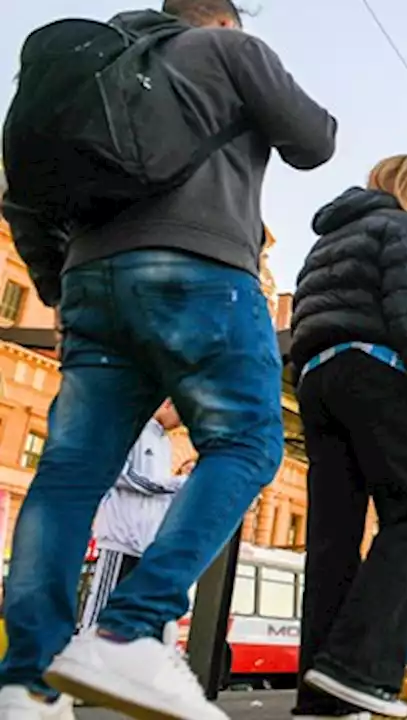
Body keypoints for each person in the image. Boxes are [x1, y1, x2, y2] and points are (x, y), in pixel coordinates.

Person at [0, 0, 336, 718]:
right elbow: (316, 140)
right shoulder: (224, 51)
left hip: (92, 284)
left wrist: (60, 287)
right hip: (202, 271)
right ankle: (129, 631)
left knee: (67, 474)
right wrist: (250, 70)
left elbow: (22, 196)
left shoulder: (91, 70)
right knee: (246, 443)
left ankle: (26, 683)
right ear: (220, 19)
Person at [288, 155, 407, 718]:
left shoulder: (325, 241)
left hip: (317, 380)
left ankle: (319, 697)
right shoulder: (401, 229)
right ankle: (357, 668)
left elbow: (307, 318)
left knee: (333, 538)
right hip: (377, 372)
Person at [79, 400, 187, 631]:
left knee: (126, 606)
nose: (181, 423)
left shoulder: (165, 443)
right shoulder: (131, 430)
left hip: (144, 541)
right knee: (102, 603)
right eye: (181, 415)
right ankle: (86, 651)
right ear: (167, 404)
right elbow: (125, 476)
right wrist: (176, 484)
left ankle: (112, 656)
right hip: (120, 537)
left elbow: (157, 490)